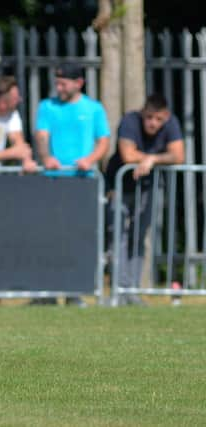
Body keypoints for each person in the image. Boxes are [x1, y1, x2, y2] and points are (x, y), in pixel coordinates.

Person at [33, 62, 110, 306]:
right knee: (49, 237)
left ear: (79, 83)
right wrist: (46, 158)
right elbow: (42, 135)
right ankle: (47, 293)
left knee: (77, 238)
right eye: (57, 82)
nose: (59, 87)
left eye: (63, 82)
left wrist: (90, 160)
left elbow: (103, 141)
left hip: (82, 182)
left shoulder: (94, 109)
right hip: (53, 182)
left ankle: (74, 291)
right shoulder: (47, 106)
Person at [105, 93, 185, 305]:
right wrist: (150, 158)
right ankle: (118, 290)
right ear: (142, 113)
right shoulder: (130, 121)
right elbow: (128, 155)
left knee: (138, 238)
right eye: (149, 117)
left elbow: (178, 155)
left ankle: (131, 290)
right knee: (117, 237)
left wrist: (152, 159)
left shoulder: (172, 123)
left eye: (158, 119)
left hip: (148, 188)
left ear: (166, 116)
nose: (152, 123)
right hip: (119, 186)